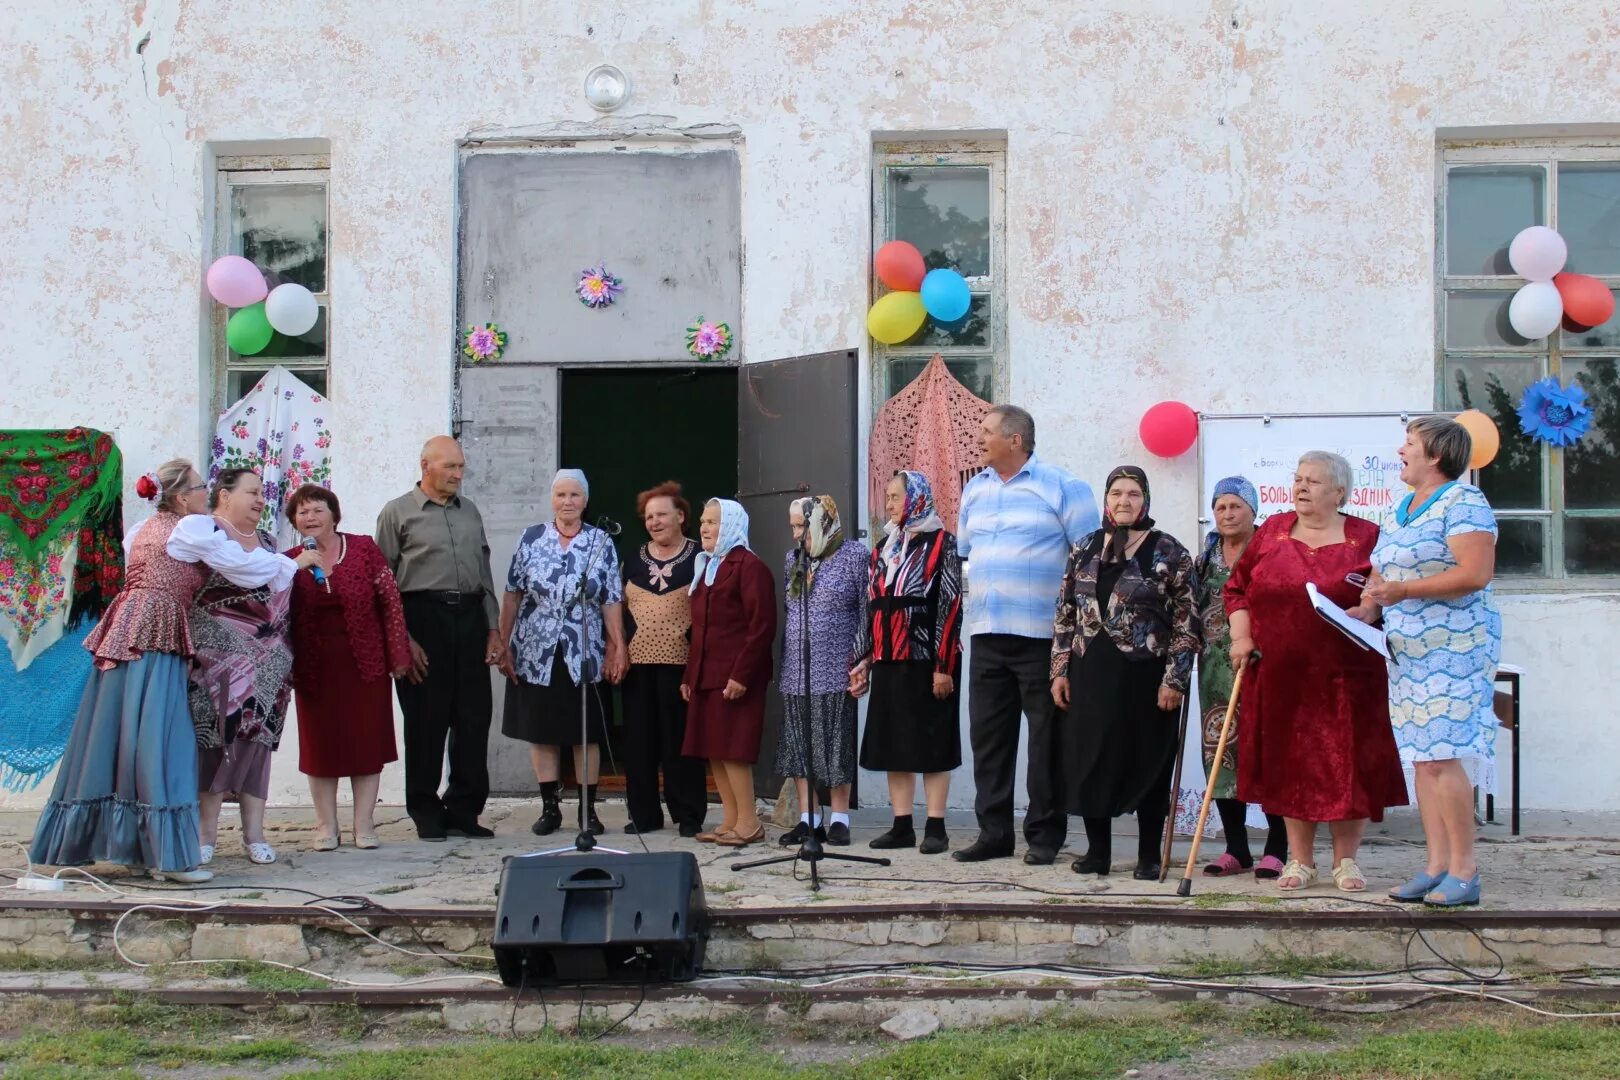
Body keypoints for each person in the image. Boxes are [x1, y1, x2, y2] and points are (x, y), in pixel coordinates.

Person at [30, 459, 319, 883]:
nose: (209, 493)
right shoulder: (191, 528)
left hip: (127, 628)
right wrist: (292, 564)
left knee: (116, 733)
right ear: (183, 497)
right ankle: (165, 855)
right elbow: (243, 568)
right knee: (161, 738)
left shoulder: (143, 530)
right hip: (156, 632)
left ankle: (109, 844)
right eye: (203, 487)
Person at [1225, 451, 1407, 892]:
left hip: (1349, 675)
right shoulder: (1271, 531)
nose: (1302, 487)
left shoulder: (1368, 536)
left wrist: (1368, 607)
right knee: (1291, 763)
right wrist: (1241, 638)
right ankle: (1299, 861)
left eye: (1314, 482)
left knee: (1351, 764)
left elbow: (1383, 591)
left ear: (1340, 492)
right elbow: (1237, 589)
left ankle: (1346, 861)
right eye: (1298, 479)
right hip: (1282, 675)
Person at [1365, 417, 1501, 908]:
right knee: (1423, 761)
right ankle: (1436, 866)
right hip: (1408, 652)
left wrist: (1401, 591)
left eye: (1409, 443)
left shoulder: (1465, 502)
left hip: (1455, 649)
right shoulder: (1399, 508)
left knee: (1443, 755)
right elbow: (1380, 577)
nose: (1400, 450)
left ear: (1436, 455)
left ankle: (1465, 871)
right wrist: (1359, 610)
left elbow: (1475, 573)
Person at [954, 405, 1099, 864]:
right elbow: (965, 555)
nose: (979, 438)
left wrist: (1076, 637)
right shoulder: (974, 490)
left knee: (1045, 741)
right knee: (989, 740)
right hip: (986, 632)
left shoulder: (1063, 486)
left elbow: (1088, 563)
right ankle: (993, 833)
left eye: (986, 431)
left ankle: (1043, 836)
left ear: (1015, 440)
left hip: (1043, 637)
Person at [1051, 466, 1198, 879]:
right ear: (1106, 499)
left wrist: (1175, 679)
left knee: (1147, 761)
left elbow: (1187, 621)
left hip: (1146, 677)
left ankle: (1149, 856)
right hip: (1090, 672)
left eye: (1133, 494)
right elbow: (1065, 612)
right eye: (1117, 493)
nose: (1124, 501)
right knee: (1091, 760)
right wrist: (1059, 669)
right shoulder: (1084, 547)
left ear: (1145, 501)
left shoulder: (1169, 551)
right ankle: (1098, 853)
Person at [375, 435, 504, 841]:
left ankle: (464, 809)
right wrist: (402, 639)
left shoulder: (470, 512)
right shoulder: (397, 513)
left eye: (461, 467)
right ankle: (426, 810)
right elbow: (382, 584)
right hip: (422, 620)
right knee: (426, 722)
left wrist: (493, 628)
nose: (458, 474)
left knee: (473, 718)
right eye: (450, 467)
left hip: (468, 618)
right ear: (425, 466)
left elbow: (483, 574)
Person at [497, 469, 626, 837]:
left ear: (585, 500)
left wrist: (617, 646)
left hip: (584, 649)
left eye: (574, 495)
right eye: (560, 495)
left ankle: (588, 810)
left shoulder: (600, 541)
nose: (567, 502)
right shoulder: (532, 537)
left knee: (585, 734)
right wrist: (503, 643)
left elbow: (612, 598)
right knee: (543, 731)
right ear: (551, 500)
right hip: (537, 650)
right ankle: (550, 808)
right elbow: (512, 592)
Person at [284, 484, 411, 851]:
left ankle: (365, 824)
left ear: (334, 516)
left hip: (364, 662)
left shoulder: (363, 548)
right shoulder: (290, 560)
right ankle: (326, 825)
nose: (310, 517)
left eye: (318, 510)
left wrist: (398, 652)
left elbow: (390, 601)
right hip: (314, 666)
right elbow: (277, 612)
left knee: (366, 743)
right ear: (295, 520)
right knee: (321, 746)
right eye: (303, 512)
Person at [189, 469, 300, 867]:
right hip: (216, 663)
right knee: (214, 742)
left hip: (269, 666)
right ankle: (206, 833)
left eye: (261, 494)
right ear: (224, 496)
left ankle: (254, 834)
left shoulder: (269, 542)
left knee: (258, 746)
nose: (259, 500)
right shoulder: (205, 536)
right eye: (251, 492)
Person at [851, 471, 963, 855]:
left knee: (931, 740)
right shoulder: (884, 546)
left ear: (916, 497)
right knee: (893, 742)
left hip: (927, 656)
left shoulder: (943, 543)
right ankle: (901, 826)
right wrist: (862, 660)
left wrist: (943, 664)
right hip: (888, 656)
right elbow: (872, 606)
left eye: (896, 496)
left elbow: (950, 605)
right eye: (888, 496)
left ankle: (936, 826)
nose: (890, 503)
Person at [1193, 477, 1287, 880]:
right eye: (1221, 507)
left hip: (1264, 666)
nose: (1228, 514)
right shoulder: (1206, 556)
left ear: (1253, 510)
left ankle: (1278, 849)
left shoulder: (1272, 549)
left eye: (1236, 506)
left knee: (1269, 754)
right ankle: (1236, 849)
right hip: (1215, 671)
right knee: (1221, 754)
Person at [682, 499, 776, 847]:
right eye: (703, 521)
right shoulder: (707, 566)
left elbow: (761, 627)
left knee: (734, 748)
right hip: (707, 674)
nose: (705, 527)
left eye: (713, 522)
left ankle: (750, 823)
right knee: (714, 748)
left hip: (736, 676)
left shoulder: (749, 567)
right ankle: (731, 819)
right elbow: (699, 628)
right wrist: (690, 676)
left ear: (732, 525)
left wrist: (741, 675)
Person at [775, 495, 867, 847]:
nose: (798, 534)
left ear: (823, 523)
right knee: (800, 747)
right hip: (796, 669)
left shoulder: (855, 556)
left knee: (835, 744)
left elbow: (865, 609)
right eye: (794, 527)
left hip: (836, 666)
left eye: (803, 526)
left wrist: (862, 660)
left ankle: (840, 818)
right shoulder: (793, 559)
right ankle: (808, 818)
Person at [620, 481, 707, 838]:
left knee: (680, 741)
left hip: (683, 667)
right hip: (637, 666)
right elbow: (617, 610)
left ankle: (688, 815)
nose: (654, 522)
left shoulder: (701, 557)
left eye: (662, 515)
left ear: (681, 516)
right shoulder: (632, 560)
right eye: (648, 517)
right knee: (639, 741)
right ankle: (643, 815)